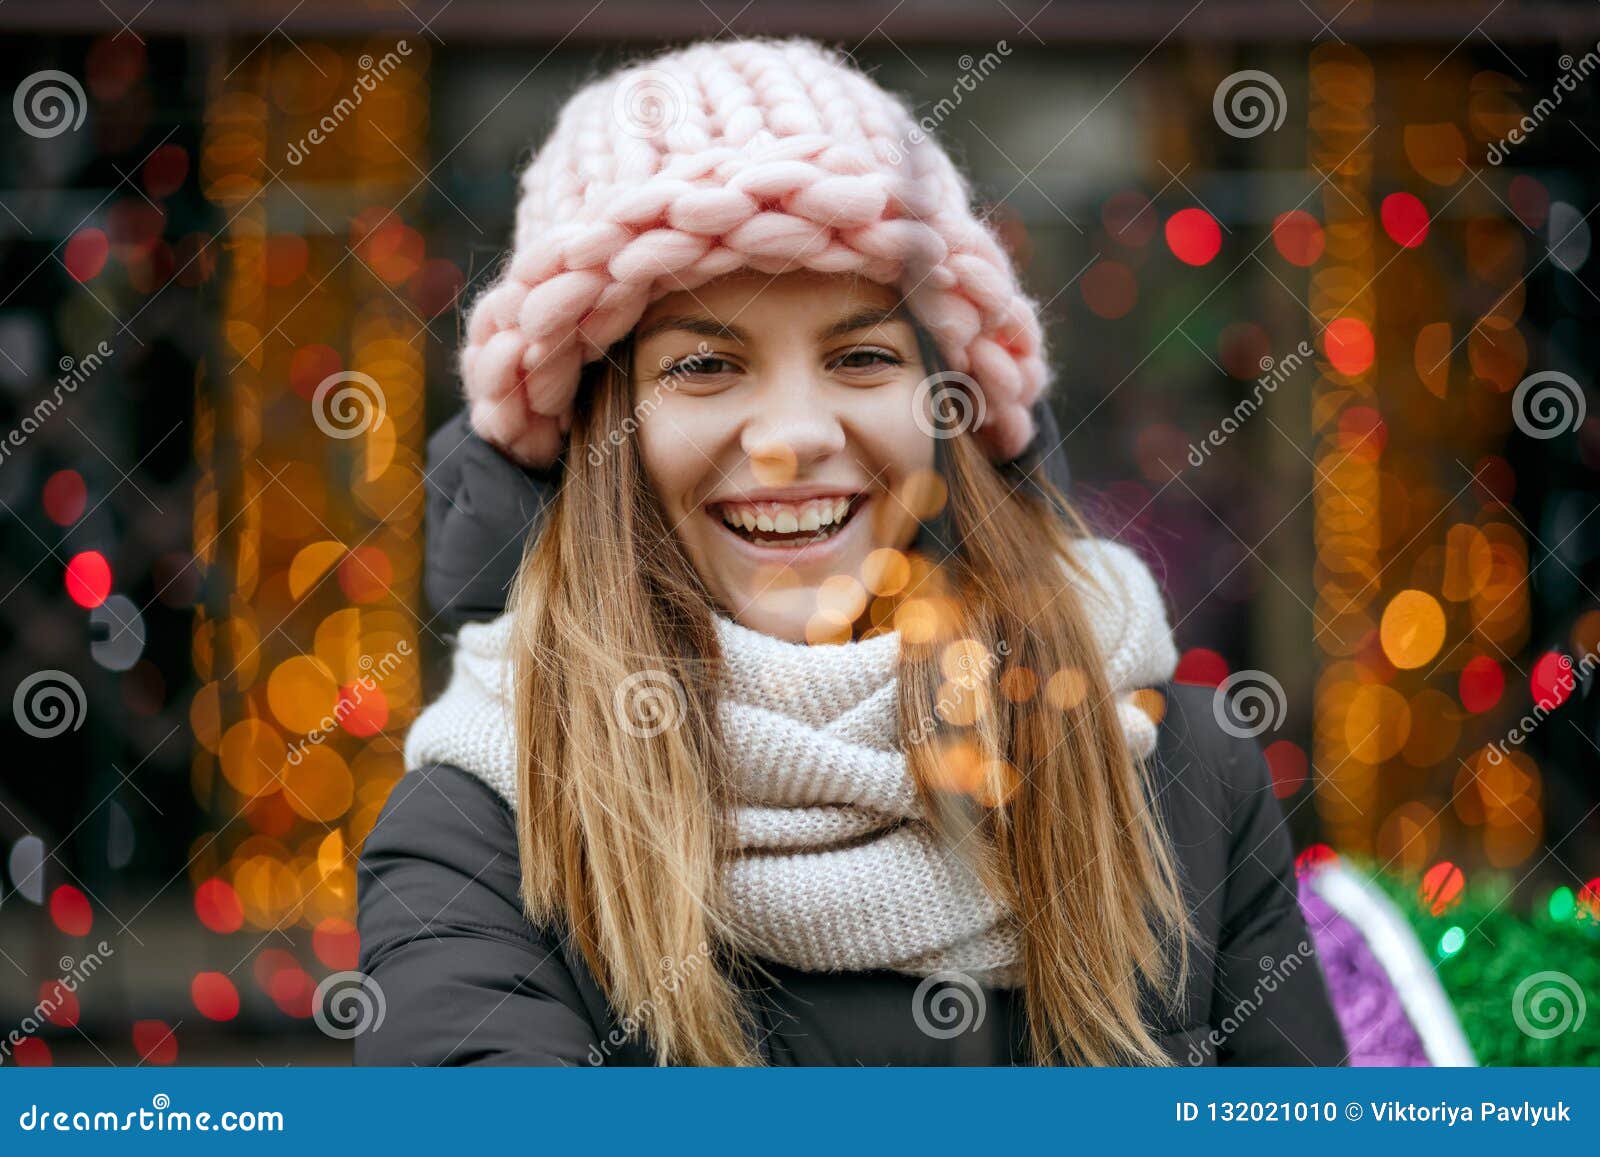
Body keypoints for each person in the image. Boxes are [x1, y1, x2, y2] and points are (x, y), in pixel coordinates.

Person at [355, 37, 1345, 1067]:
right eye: (703, 364)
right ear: (598, 429)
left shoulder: (1179, 770)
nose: (794, 433)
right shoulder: (478, 829)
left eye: (863, 355)